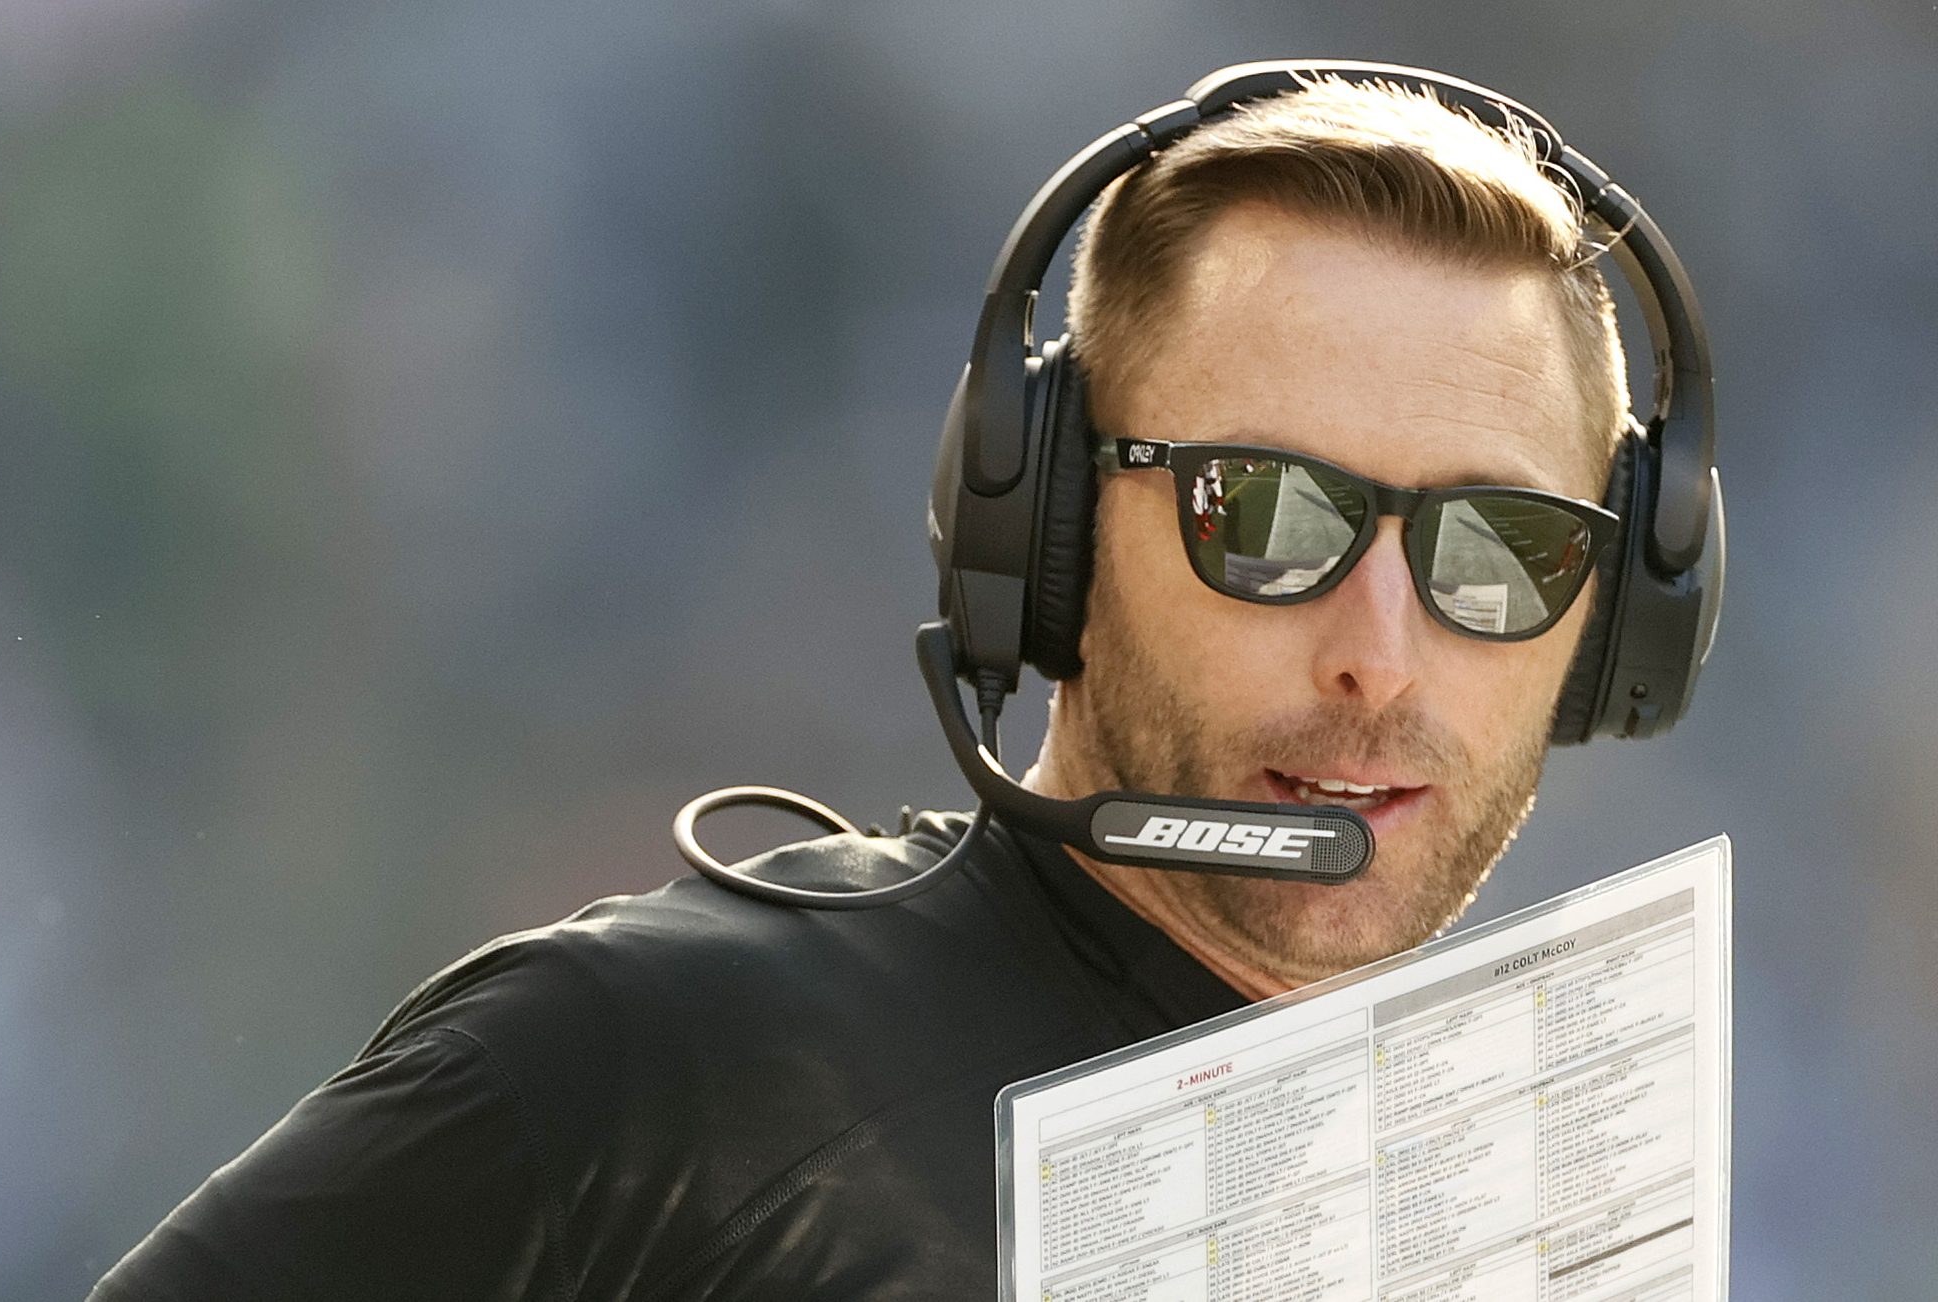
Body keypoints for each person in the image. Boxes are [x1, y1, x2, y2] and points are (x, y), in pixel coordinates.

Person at [94, 68, 1678, 1301]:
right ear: (1045, 532)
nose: (1377, 653)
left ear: (1613, 627)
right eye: (1260, 515)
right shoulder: (654, 1069)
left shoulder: (1547, 1216)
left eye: (1504, 548)